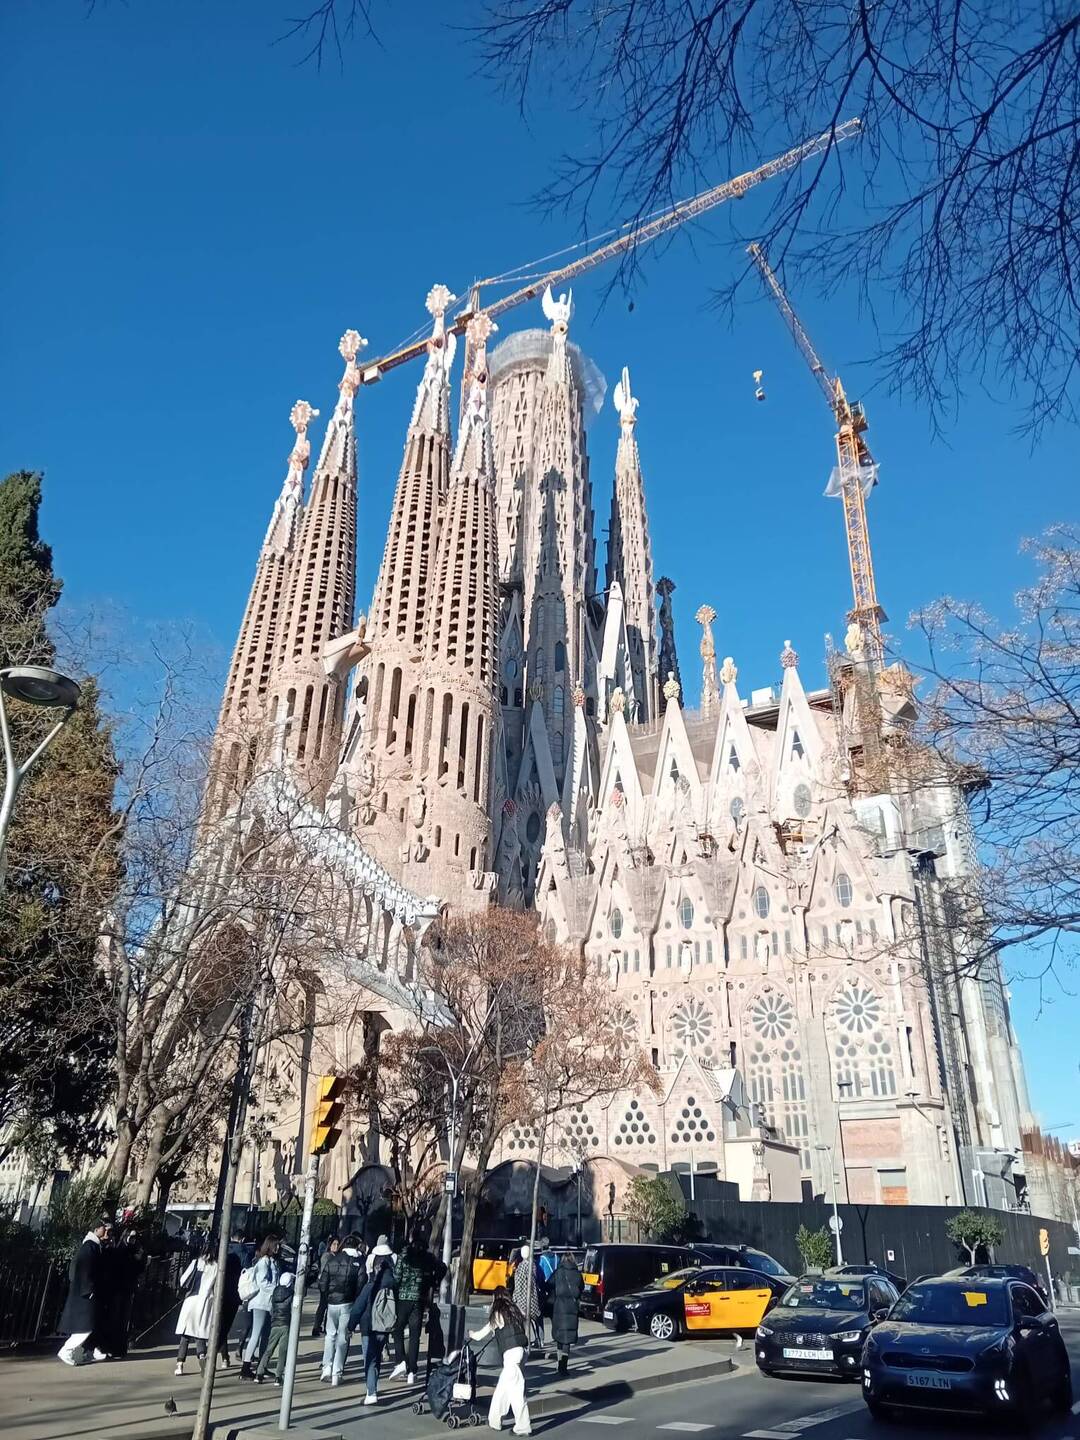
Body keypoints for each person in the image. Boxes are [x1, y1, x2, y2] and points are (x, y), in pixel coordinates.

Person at [469, 1286, 532, 1437]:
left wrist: (471, 1334)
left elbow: (480, 1335)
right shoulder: (515, 1310)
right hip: (522, 1352)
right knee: (502, 1389)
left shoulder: (498, 1313)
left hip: (511, 1354)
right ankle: (494, 1420)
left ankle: (523, 1426)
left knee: (516, 1393)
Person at [58, 1215, 112, 1366]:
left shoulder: (93, 1245)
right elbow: (84, 1269)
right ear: (96, 1229)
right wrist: (88, 1289)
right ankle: (67, 1350)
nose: (106, 1230)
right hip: (85, 1294)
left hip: (86, 1292)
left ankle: (77, 1352)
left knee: (86, 1325)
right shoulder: (89, 1246)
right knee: (84, 1327)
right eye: (103, 1228)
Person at [390, 1228, 442, 1383]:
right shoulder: (427, 1257)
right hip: (419, 1300)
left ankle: (400, 1361)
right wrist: (433, 1281)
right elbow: (442, 1267)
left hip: (403, 1298)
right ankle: (412, 1371)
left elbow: (396, 1277)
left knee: (397, 1329)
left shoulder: (404, 1255)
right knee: (415, 1335)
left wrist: (397, 1290)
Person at [350, 1239, 396, 1406]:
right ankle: (373, 1387)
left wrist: (350, 1326)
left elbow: (358, 1308)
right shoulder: (393, 1284)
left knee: (369, 1359)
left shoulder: (371, 1285)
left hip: (368, 1326)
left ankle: (371, 1391)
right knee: (377, 1357)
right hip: (384, 1327)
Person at [318, 1234, 361, 1385]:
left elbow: (322, 1282)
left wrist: (328, 1295)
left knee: (330, 1335)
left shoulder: (332, 1260)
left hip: (332, 1303)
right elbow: (361, 1284)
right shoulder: (357, 1262)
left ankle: (326, 1368)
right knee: (343, 1337)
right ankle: (337, 1371)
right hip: (348, 1303)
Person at [240, 1235, 281, 1380]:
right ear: (270, 1246)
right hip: (260, 1302)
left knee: (265, 1336)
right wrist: (277, 1290)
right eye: (276, 1245)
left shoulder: (272, 1262)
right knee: (256, 1334)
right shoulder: (264, 1262)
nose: (278, 1248)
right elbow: (262, 1282)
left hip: (268, 1303)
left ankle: (261, 1366)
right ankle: (245, 1367)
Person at [99, 1229, 144, 1359]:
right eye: (130, 1237)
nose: (132, 1240)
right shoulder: (120, 1251)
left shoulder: (134, 1250)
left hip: (127, 1290)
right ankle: (110, 1347)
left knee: (123, 1321)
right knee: (115, 1319)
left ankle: (118, 1349)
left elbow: (138, 1268)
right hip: (117, 1290)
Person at [174, 1249, 219, 1374]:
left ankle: (180, 1364)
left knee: (185, 1334)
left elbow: (183, 1280)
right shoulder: (216, 1266)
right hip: (205, 1302)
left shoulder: (196, 1262)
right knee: (200, 1334)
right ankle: (202, 1358)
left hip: (191, 1300)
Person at [255, 1271, 295, 1385]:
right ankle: (278, 1376)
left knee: (269, 1350)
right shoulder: (291, 1294)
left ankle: (259, 1373)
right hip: (285, 1324)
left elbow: (272, 1310)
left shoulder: (275, 1292)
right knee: (283, 1352)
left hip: (275, 1324)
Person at [551, 1251, 583, 1376]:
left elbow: (549, 1284)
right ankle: (563, 1366)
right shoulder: (577, 1274)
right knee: (567, 1339)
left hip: (559, 1308)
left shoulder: (558, 1272)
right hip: (572, 1308)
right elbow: (581, 1288)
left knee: (560, 1337)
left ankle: (559, 1365)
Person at [512, 1245, 543, 1350]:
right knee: (533, 1320)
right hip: (533, 1297)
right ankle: (537, 1340)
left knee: (523, 1322)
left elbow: (518, 1285)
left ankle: (525, 1342)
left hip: (523, 1298)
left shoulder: (521, 1267)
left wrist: (515, 1298)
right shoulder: (533, 1265)